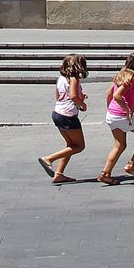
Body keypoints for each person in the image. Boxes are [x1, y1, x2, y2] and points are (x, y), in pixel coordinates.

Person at [98, 51, 134, 184]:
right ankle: (132, 165)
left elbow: (109, 93)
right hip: (123, 117)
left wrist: (109, 109)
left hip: (112, 115)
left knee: (120, 145)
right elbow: (117, 95)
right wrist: (127, 110)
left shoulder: (121, 74)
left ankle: (105, 174)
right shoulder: (132, 77)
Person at [38, 53, 87, 184]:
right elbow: (73, 96)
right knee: (80, 146)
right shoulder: (74, 78)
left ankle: (59, 174)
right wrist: (82, 104)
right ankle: (48, 159)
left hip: (58, 112)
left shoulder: (61, 79)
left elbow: (59, 96)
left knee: (71, 145)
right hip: (68, 115)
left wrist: (79, 99)